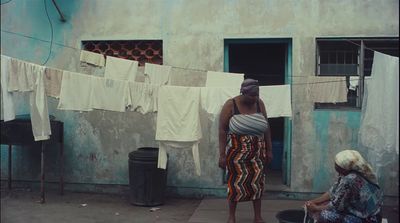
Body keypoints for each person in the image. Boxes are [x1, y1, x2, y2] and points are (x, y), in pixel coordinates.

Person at [218, 78, 273, 223]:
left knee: (257, 184)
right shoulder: (231, 104)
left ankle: (257, 217)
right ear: (243, 93)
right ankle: (231, 217)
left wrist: (269, 150)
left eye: (257, 95)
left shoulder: (259, 104)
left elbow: (266, 128)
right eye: (252, 96)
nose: (255, 98)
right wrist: (222, 155)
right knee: (235, 184)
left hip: (257, 152)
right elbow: (222, 130)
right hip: (236, 152)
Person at [305, 150, 383, 223]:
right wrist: (313, 201)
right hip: (371, 211)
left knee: (323, 215)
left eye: (337, 164)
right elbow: (332, 192)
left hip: (368, 219)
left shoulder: (349, 180)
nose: (335, 164)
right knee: (324, 204)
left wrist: (315, 208)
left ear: (344, 167)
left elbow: (336, 206)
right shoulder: (356, 172)